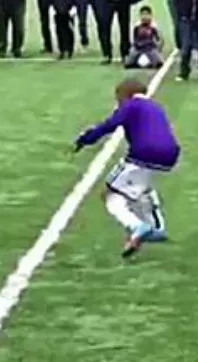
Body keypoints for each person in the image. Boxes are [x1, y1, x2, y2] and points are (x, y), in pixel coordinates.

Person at [73, 78, 179, 258]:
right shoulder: (155, 106)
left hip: (143, 153)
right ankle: (157, 228)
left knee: (110, 194)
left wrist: (86, 138)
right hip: (170, 154)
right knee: (142, 187)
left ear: (125, 95)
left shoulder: (131, 106)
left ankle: (137, 226)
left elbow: (110, 125)